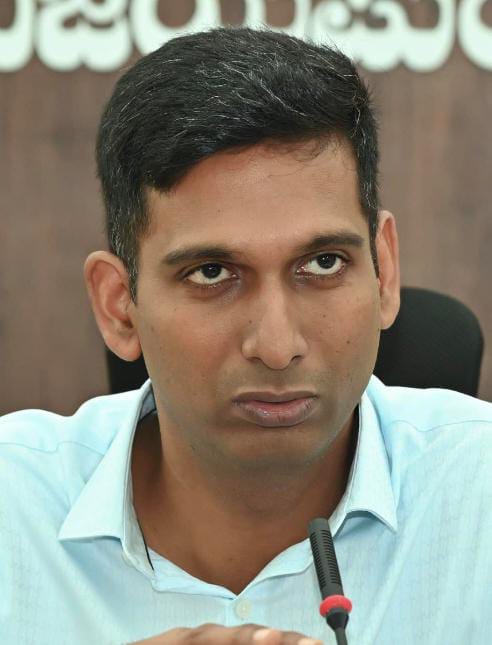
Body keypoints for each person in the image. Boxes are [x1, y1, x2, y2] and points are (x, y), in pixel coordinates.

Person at [1, 27, 491, 645]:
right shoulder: (13, 503)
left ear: (384, 271)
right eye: (212, 273)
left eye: (323, 264)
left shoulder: (479, 488)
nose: (277, 346)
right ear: (120, 307)